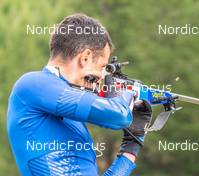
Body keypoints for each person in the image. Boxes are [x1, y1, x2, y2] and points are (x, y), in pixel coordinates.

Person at [7, 13, 152, 176]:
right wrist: (128, 93)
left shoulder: (71, 119)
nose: (102, 77)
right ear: (85, 57)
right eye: (103, 67)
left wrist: (131, 147)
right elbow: (118, 115)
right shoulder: (32, 84)